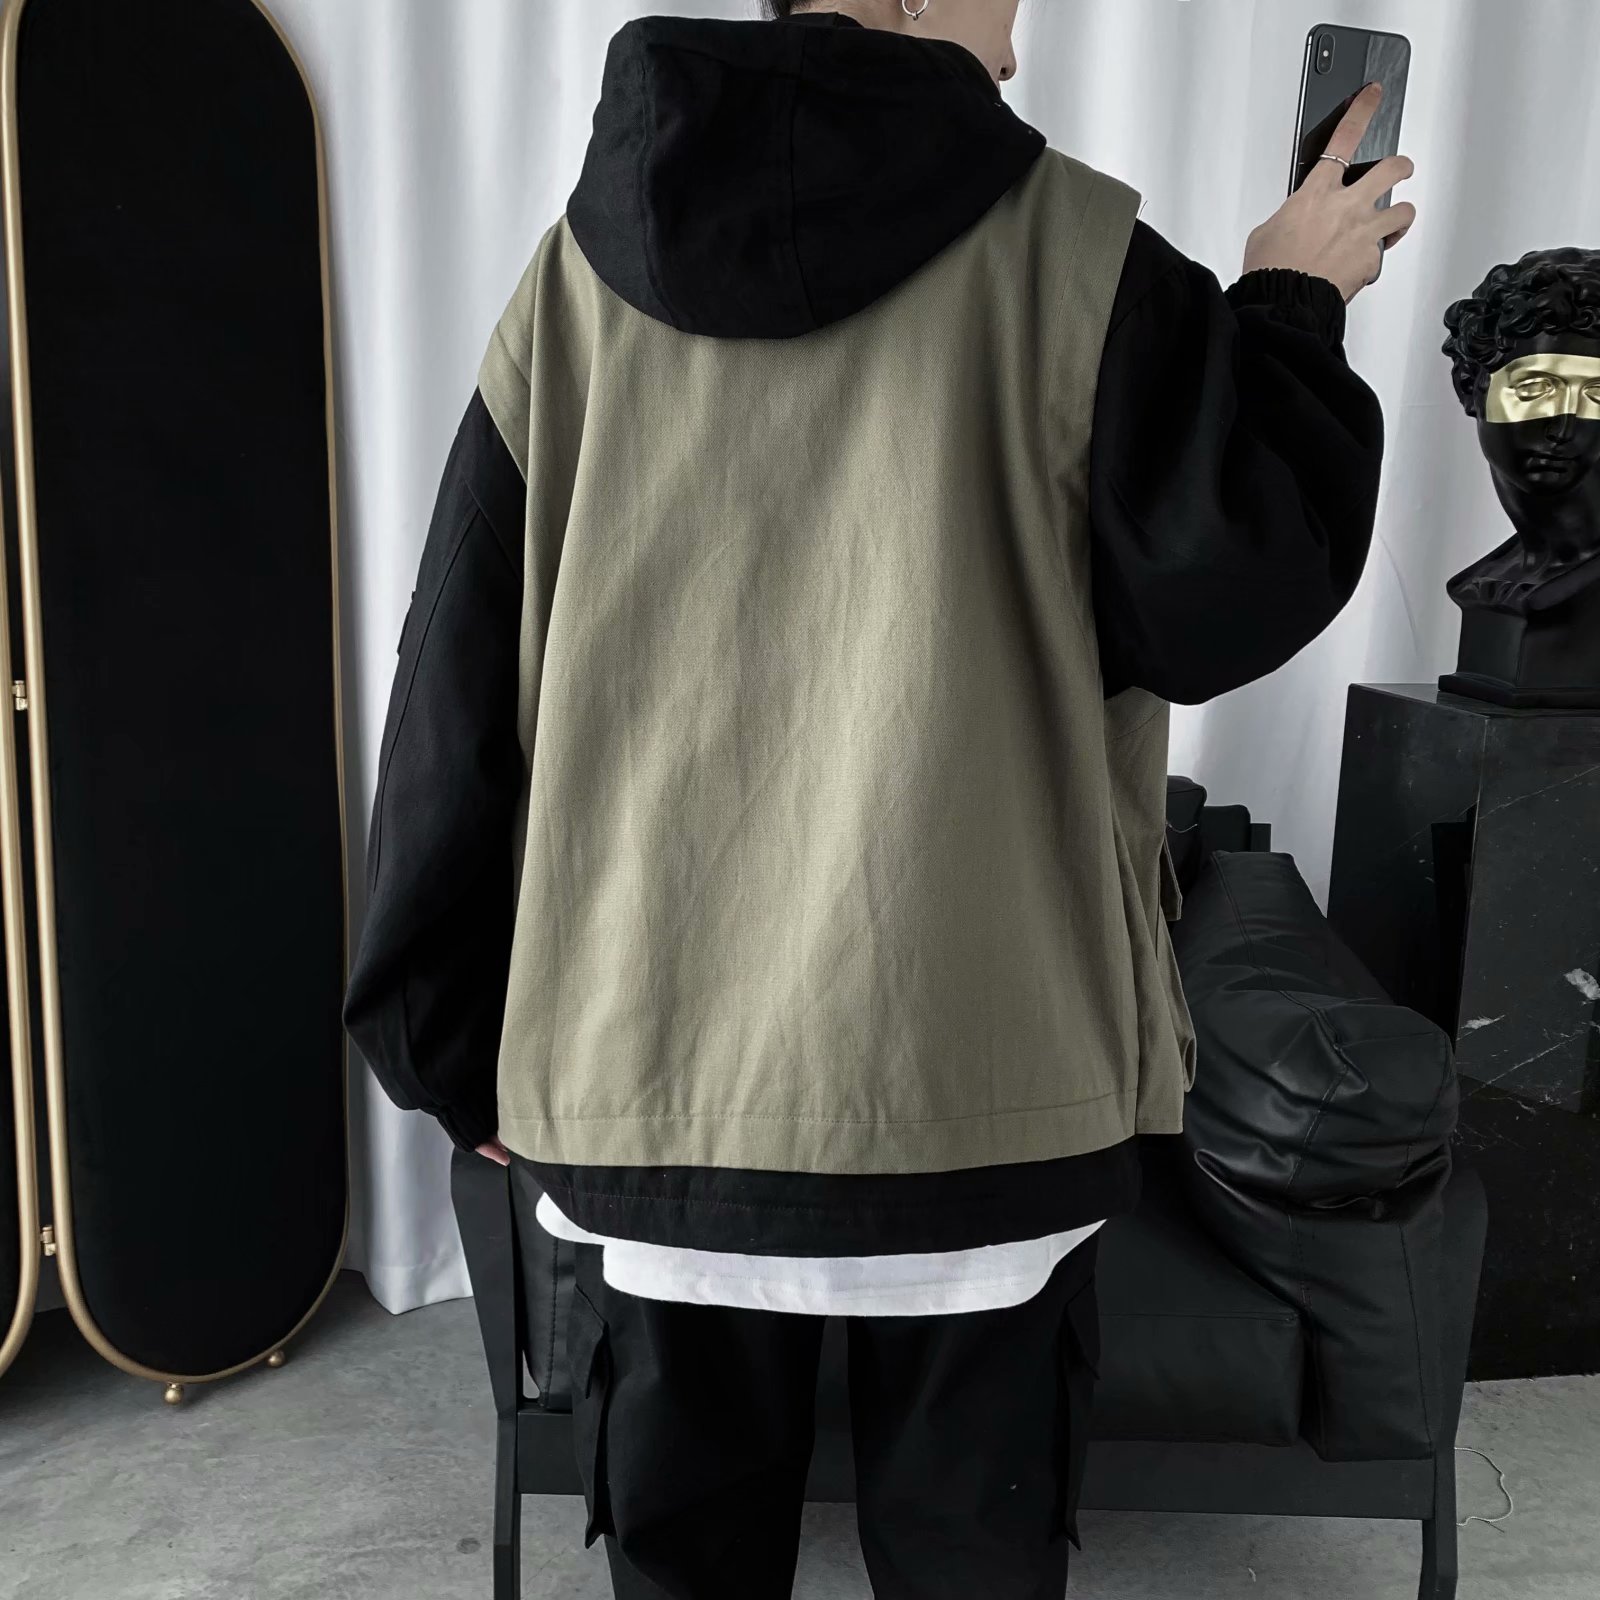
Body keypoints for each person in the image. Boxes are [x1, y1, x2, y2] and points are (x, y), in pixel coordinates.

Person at [344, 2, 1415, 1595]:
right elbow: (1225, 598)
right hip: (983, 1096)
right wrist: (1289, 302)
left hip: (659, 1092)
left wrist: (444, 1039)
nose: (1021, 35)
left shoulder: (576, 283)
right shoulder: (1081, 260)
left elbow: (455, 676)